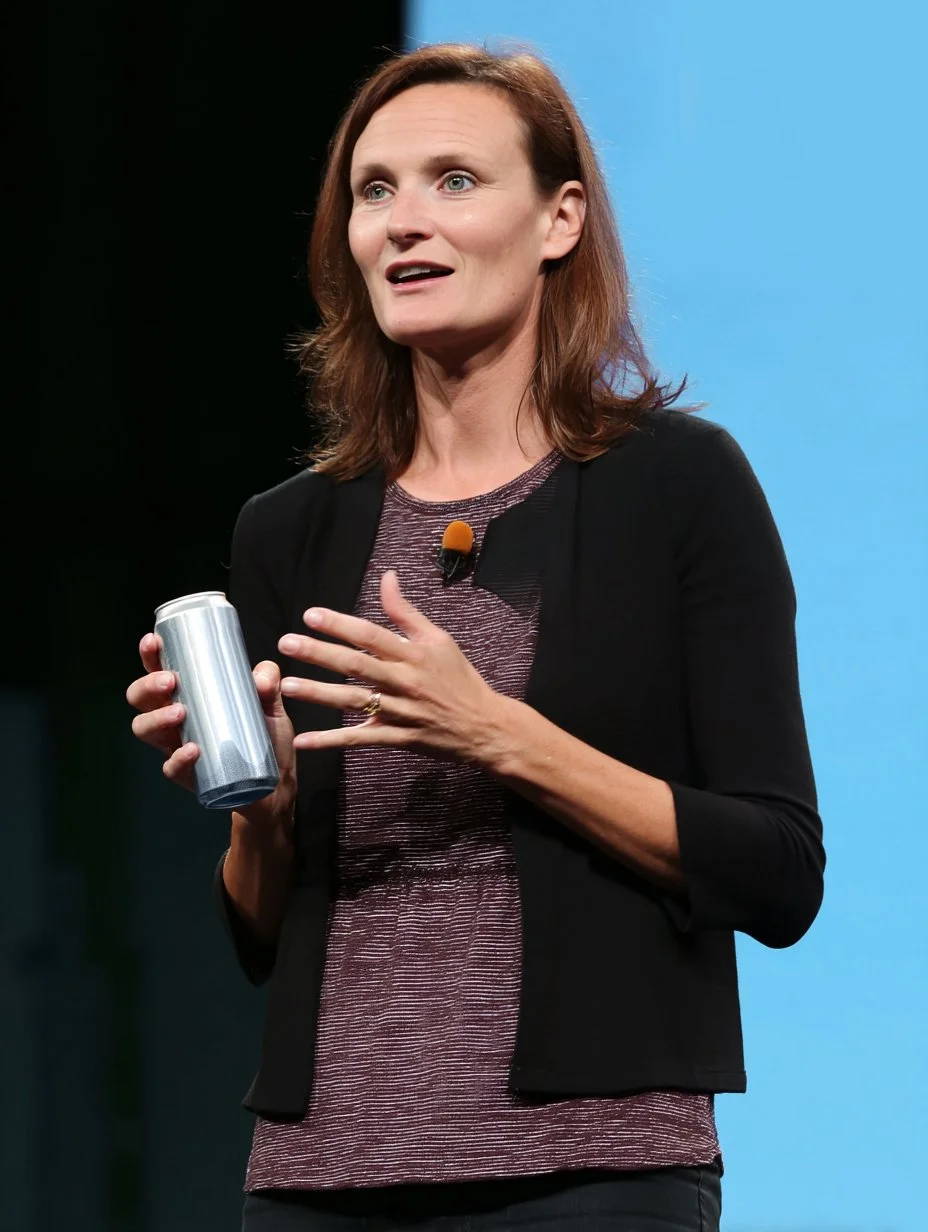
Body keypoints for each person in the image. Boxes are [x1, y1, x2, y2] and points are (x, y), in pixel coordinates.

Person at [126, 42, 825, 1232]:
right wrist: (263, 808)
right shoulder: (290, 529)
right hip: (320, 1173)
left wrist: (495, 732)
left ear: (558, 220)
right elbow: (260, 932)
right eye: (374, 188)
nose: (404, 221)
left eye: (455, 180)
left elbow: (775, 869)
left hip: (591, 1170)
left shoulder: (677, 486)